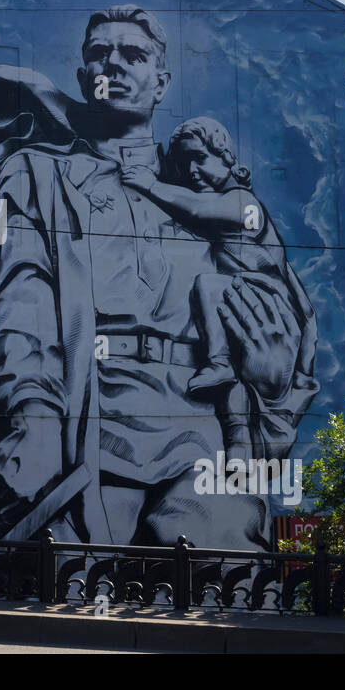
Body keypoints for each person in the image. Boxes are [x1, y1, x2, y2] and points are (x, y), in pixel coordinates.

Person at [0, 4, 319, 549]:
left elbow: (270, 294)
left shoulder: (203, 191)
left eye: (134, 54)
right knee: (78, 583)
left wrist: (270, 378)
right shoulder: (39, 175)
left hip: (201, 426)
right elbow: (16, 300)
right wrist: (34, 415)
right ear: (85, 79)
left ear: (161, 81)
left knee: (222, 573)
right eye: (98, 55)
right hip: (91, 417)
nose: (114, 65)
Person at [121, 117, 309, 461]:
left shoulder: (243, 203)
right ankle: (239, 448)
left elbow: (197, 208)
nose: (192, 171)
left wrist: (149, 185)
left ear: (227, 158)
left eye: (200, 159)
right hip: (240, 305)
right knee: (235, 388)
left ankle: (218, 361)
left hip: (261, 298)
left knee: (208, 285)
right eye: (184, 163)